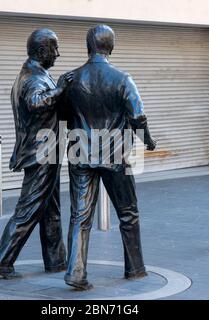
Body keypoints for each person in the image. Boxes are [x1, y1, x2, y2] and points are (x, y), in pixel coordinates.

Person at [59, 25, 157, 290]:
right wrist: (146, 140)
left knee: (80, 215)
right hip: (115, 153)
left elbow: (62, 116)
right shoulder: (123, 78)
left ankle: (76, 272)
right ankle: (135, 269)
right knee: (128, 213)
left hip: (80, 154)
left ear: (88, 46)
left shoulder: (70, 79)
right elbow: (137, 115)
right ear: (110, 47)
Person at [0, 29, 73, 279]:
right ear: (41, 51)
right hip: (41, 154)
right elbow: (36, 104)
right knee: (29, 209)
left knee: (50, 209)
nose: (58, 54)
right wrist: (60, 90)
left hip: (47, 151)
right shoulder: (33, 78)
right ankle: (2, 260)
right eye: (54, 48)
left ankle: (56, 261)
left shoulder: (37, 74)